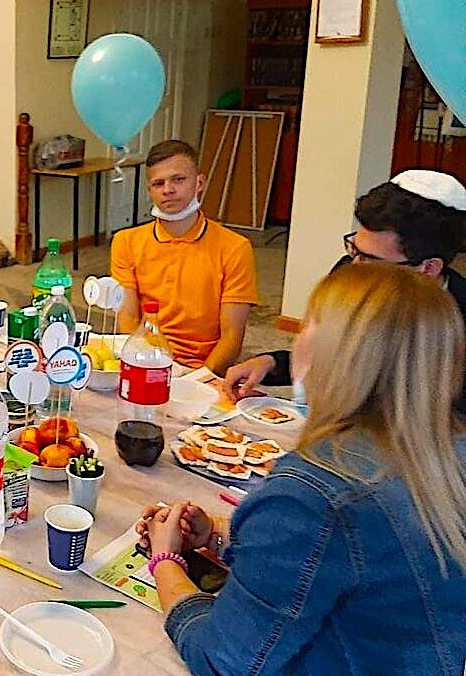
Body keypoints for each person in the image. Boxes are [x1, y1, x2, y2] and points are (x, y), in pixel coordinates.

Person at [138, 263, 465, 676]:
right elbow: (343, 560)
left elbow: (222, 661)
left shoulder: (312, 491)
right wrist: (223, 534)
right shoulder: (447, 450)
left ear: (334, 353)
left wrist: (165, 560)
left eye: (307, 324)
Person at [226, 169, 465, 409]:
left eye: (371, 260)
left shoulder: (458, 318)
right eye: (354, 248)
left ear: (429, 267)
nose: (355, 266)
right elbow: (333, 354)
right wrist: (272, 363)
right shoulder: (348, 272)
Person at [110, 139, 258, 374]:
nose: (168, 190)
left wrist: (196, 381)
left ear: (199, 182)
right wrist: (144, 364)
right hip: (146, 359)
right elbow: (127, 317)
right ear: (149, 190)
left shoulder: (235, 248)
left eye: (178, 179)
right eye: (158, 183)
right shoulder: (126, 242)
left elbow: (232, 336)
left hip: (203, 370)